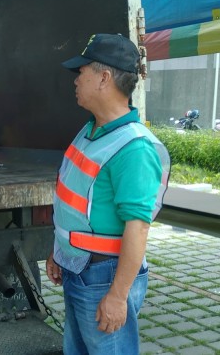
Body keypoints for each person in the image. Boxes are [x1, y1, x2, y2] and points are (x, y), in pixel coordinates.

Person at [46, 34, 170, 355]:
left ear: (104, 78)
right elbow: (75, 204)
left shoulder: (134, 148)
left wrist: (118, 296)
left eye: (82, 72)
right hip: (81, 269)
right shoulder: (92, 130)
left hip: (104, 276)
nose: (76, 80)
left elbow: (138, 227)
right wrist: (60, 251)